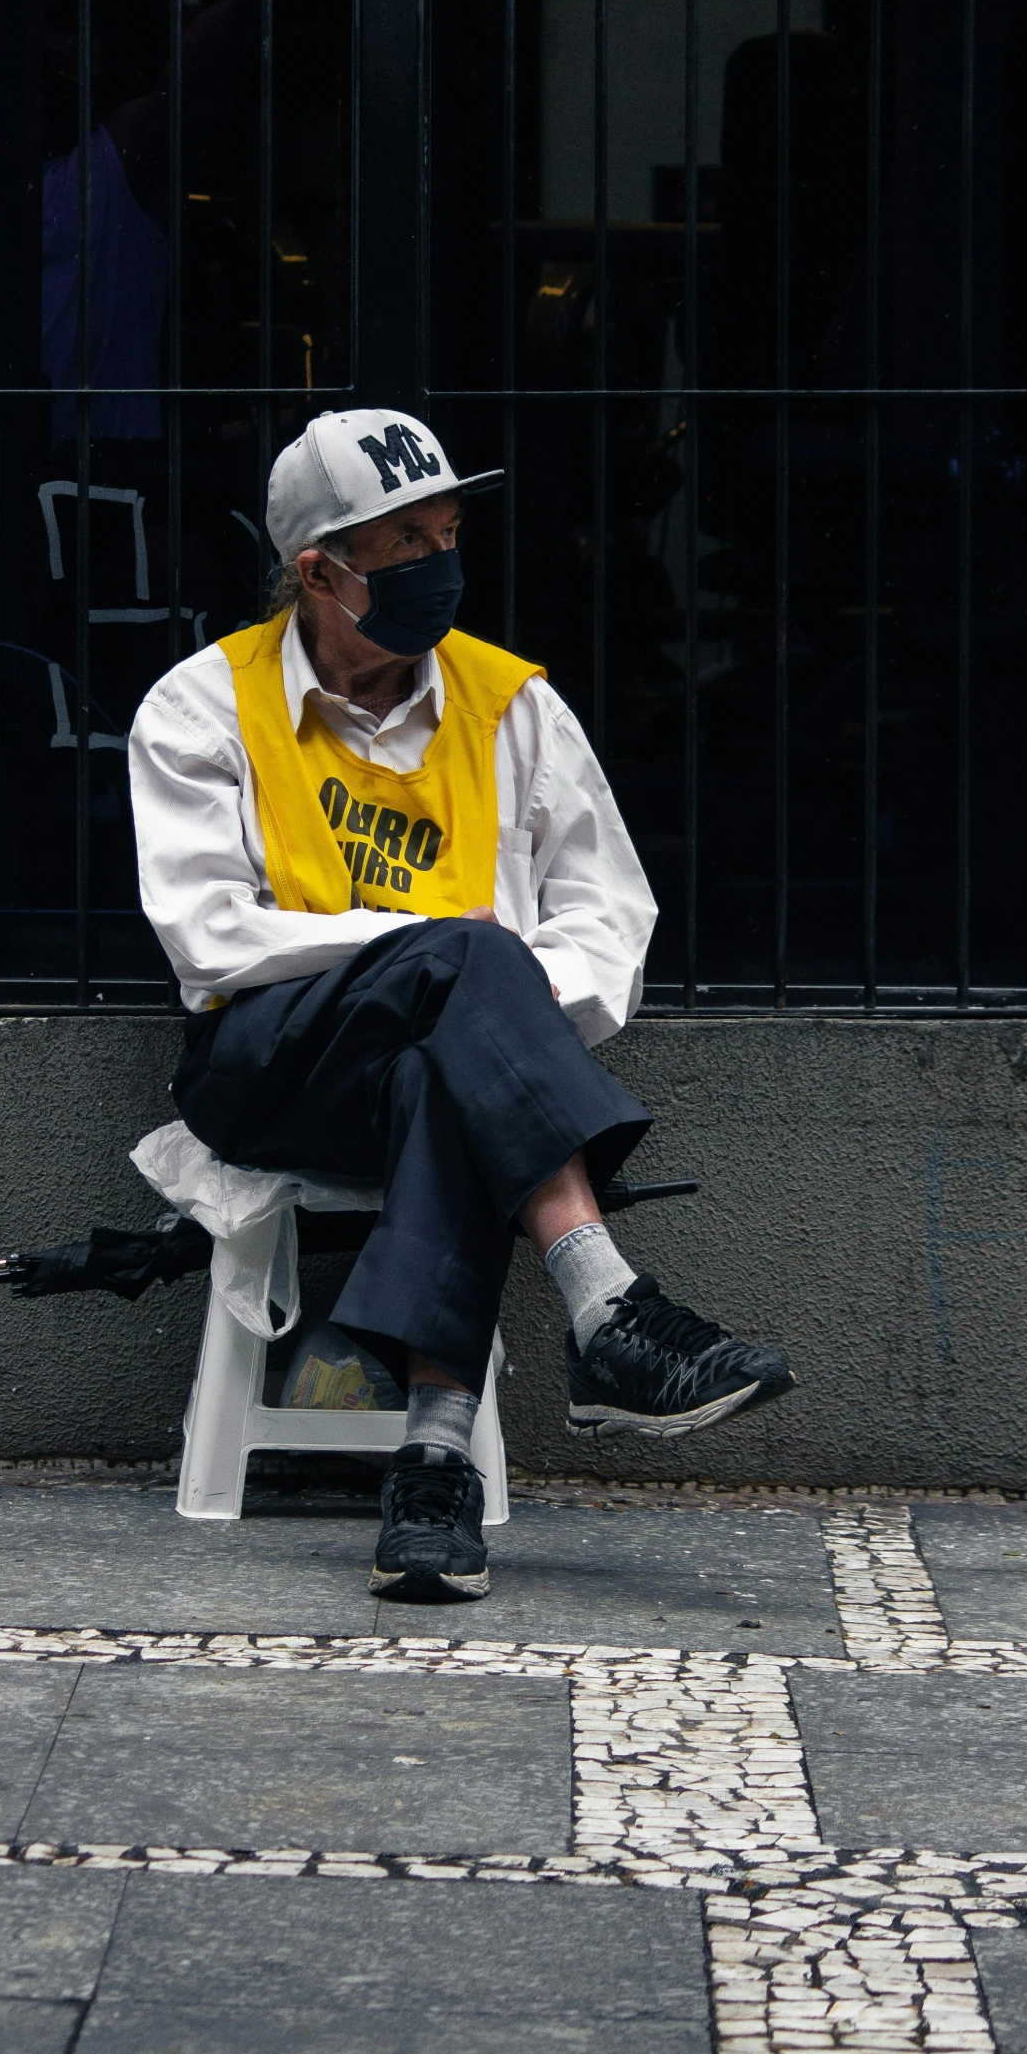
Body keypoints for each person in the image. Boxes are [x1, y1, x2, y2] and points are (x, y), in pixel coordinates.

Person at [128, 409, 796, 1601]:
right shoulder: (200, 705)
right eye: (400, 546)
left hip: (444, 1074)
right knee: (471, 961)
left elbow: (609, 918)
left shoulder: (512, 704)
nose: (437, 560)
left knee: (455, 1055)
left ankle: (431, 1472)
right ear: (317, 572)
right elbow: (208, 935)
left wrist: (501, 1013)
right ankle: (605, 1305)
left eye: (445, 532)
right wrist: (437, 952)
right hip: (269, 1068)